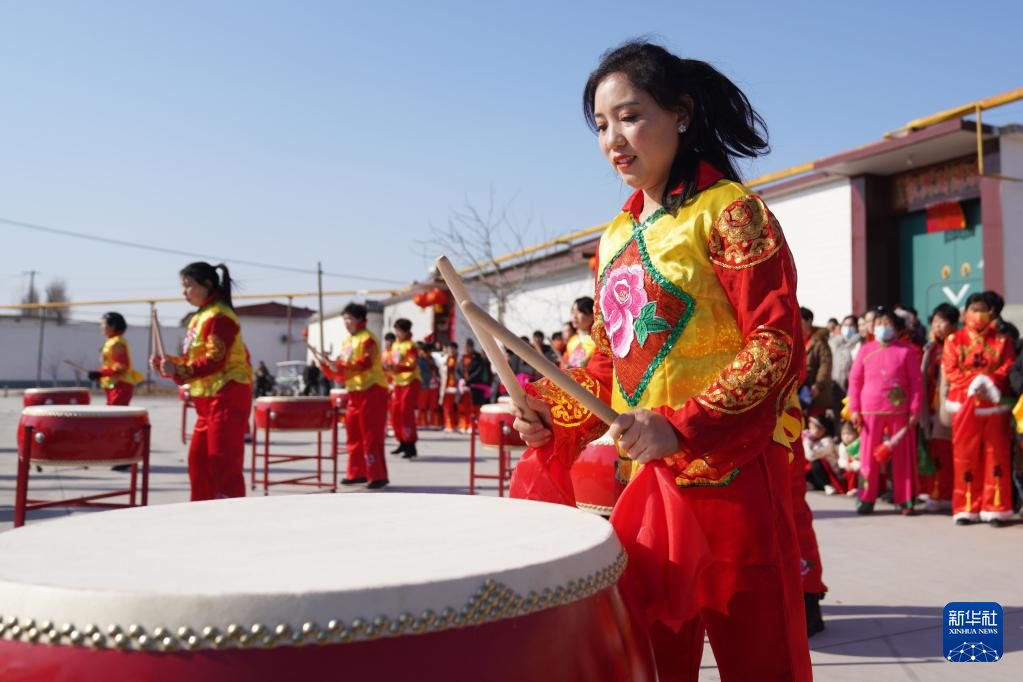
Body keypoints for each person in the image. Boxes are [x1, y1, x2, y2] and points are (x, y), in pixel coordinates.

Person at [513, 41, 810, 680]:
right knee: (652, 661)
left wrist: (681, 425)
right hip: (645, 485)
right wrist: (549, 410)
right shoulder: (614, 237)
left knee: (761, 660)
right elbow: (608, 365)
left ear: (680, 113)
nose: (613, 140)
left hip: (733, 480)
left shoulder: (729, 211)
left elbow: (775, 344)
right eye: (600, 125)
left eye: (630, 116)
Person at [153, 262, 253, 501]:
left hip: (227, 395)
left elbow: (215, 360)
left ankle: (230, 515)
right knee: (199, 463)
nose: (184, 292)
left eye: (188, 285)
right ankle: (200, 513)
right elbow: (193, 360)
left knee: (222, 463)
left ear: (207, 285)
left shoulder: (220, 316)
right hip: (208, 399)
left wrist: (178, 369)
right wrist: (167, 364)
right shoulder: (200, 317)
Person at [942, 292, 1016, 525]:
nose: (979, 314)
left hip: (994, 404)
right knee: (965, 456)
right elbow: (951, 371)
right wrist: (974, 382)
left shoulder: (1002, 341)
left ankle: (996, 507)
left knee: (997, 455)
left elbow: (1008, 366)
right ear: (965, 313)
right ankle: (966, 507)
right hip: (965, 404)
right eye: (974, 309)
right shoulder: (954, 340)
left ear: (991, 313)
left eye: (983, 310)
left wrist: (989, 381)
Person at [847, 308, 924, 515]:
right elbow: (855, 380)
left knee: (903, 457)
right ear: (873, 328)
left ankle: (905, 499)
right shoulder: (865, 350)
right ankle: (866, 497)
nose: (883, 327)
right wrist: (854, 408)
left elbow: (916, 383)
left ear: (897, 329)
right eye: (879, 323)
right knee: (867, 457)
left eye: (888, 324)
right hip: (870, 410)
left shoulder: (907, 351)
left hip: (899, 410)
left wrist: (915, 409)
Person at [320, 303, 389, 489]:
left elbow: (364, 363)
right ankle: (357, 472)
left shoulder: (368, 339)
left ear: (359, 319)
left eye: (349, 319)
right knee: (354, 433)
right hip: (355, 392)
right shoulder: (348, 342)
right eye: (344, 319)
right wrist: (330, 365)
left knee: (371, 434)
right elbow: (344, 367)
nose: (346, 323)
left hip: (372, 390)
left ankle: (377, 475)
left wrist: (339, 366)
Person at [919, 303, 959, 512]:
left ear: (953, 324)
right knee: (937, 453)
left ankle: (949, 493)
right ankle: (938, 492)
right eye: (934, 321)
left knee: (950, 454)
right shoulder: (931, 347)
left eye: (941, 321)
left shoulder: (959, 344)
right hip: (933, 408)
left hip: (951, 406)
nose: (937, 326)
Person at [384, 318, 421, 459]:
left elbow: (411, 364)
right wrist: (388, 367)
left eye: (399, 330)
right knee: (396, 412)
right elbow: (392, 361)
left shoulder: (411, 346)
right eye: (396, 330)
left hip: (410, 381)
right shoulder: (395, 345)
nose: (397, 333)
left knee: (406, 412)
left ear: (406, 331)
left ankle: (410, 444)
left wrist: (395, 367)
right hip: (397, 382)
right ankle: (401, 441)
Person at [88, 312, 144, 406]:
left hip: (120, 385)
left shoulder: (117, 342)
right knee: (111, 412)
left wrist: (101, 373)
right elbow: (109, 364)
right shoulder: (111, 341)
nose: (101, 327)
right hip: (113, 385)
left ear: (113, 326)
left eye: (103, 324)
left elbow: (121, 366)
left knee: (115, 413)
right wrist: (98, 375)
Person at [801, 307, 833, 417]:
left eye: (800, 321)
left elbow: (825, 365)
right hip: (800, 388)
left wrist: (818, 385)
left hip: (815, 389)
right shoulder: (796, 339)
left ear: (809, 321)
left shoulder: (819, 340)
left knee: (815, 421)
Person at [457, 338, 491, 430]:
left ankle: (473, 426)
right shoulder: (462, 358)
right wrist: (461, 380)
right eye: (465, 347)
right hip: (463, 387)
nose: (465, 349)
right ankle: (464, 425)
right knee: (464, 408)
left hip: (475, 387)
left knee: (475, 408)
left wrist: (467, 381)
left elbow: (478, 372)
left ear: (471, 347)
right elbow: (458, 370)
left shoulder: (478, 359)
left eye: (467, 347)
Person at [803, 414, 841, 494]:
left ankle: (828, 484)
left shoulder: (828, 441)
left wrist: (806, 442)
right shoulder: (815, 440)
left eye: (813, 428)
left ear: (823, 430)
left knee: (816, 463)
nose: (810, 431)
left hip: (832, 474)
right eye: (809, 428)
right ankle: (813, 484)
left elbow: (810, 456)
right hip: (821, 473)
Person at [562, 296, 597, 369]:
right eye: (573, 312)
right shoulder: (572, 341)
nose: (574, 316)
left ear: (592, 315)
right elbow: (564, 363)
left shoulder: (599, 340)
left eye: (579, 312)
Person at [830, 314, 860, 394]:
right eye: (845, 325)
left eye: (851, 325)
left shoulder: (859, 345)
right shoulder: (834, 343)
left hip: (852, 387)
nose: (848, 328)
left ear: (856, 327)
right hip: (835, 386)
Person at [416, 342, 440, 429]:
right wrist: (429, 378)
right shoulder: (420, 360)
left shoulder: (432, 359)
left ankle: (433, 423)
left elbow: (436, 370)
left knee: (433, 405)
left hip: (433, 385)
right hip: (424, 384)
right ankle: (421, 423)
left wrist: (436, 378)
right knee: (422, 405)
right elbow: (422, 373)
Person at [837, 420, 861, 495]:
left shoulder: (860, 444)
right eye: (843, 434)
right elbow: (842, 459)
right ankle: (850, 488)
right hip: (847, 467)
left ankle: (856, 488)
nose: (846, 437)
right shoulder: (842, 446)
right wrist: (846, 464)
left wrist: (853, 465)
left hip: (857, 466)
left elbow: (861, 459)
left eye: (850, 433)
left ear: (857, 433)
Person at [441, 341, 461, 432]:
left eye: (453, 349)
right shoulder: (444, 360)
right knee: (447, 408)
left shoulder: (459, 360)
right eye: (450, 349)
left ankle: (458, 425)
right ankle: (449, 425)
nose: (451, 351)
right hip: (446, 386)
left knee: (457, 407)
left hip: (457, 387)